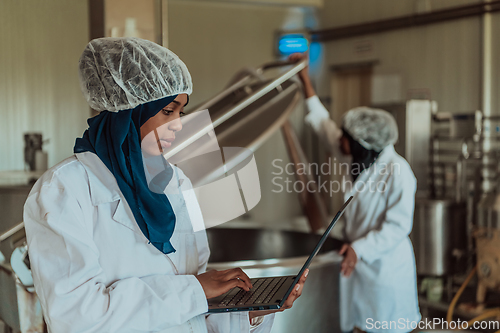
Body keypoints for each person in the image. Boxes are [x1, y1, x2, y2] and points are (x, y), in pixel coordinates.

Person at [23, 37, 307, 333]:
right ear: (132, 110)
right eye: (168, 111)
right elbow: (78, 317)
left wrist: (253, 310)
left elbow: (197, 306)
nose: (178, 124)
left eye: (181, 112)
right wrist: (194, 290)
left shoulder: (175, 183)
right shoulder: (64, 190)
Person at [289, 53, 420, 333]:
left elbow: (398, 227)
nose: (338, 140)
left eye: (345, 138)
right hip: (357, 265)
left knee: (385, 326)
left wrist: (360, 249)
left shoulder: (398, 171)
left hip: (383, 267)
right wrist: (304, 79)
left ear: (362, 142)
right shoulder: (357, 157)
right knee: (359, 325)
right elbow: (323, 125)